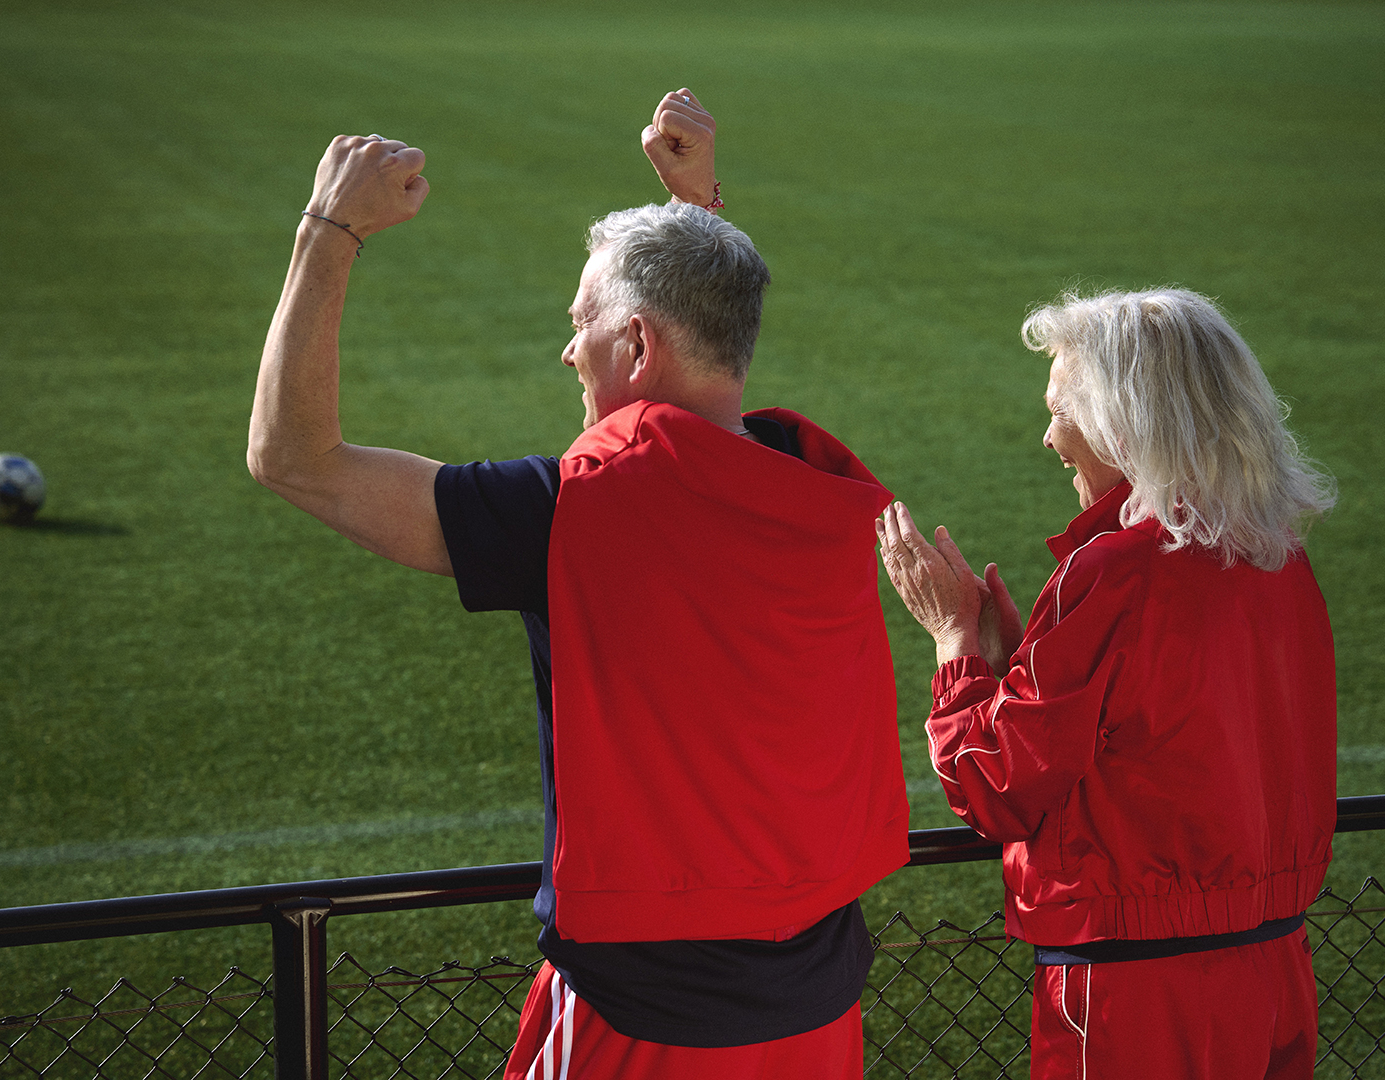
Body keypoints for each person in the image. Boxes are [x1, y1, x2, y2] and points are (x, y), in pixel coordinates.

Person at [248, 91, 908, 1079]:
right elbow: (702, 369)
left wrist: (328, 232)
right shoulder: (813, 484)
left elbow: (294, 459)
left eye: (580, 324)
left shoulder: (568, 511)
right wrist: (697, 218)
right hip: (816, 1009)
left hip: (635, 1018)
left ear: (636, 345)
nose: (567, 349)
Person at [875, 288, 1338, 1079]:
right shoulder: (1279, 558)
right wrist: (1023, 663)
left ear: (1124, 425)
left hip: (1138, 990)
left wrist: (955, 644)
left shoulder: (1115, 573)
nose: (1048, 437)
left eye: (1061, 412)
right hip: (1274, 967)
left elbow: (994, 786)